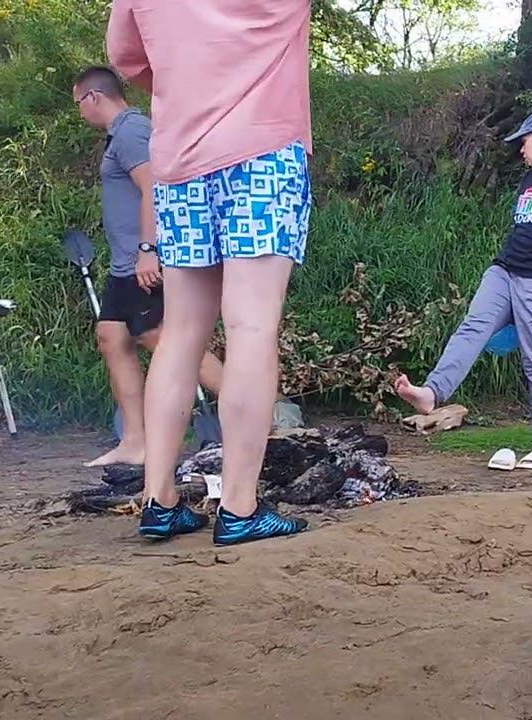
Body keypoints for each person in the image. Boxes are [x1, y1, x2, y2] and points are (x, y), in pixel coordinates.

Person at [107, 0, 313, 545]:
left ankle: (160, 501)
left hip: (179, 163)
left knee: (179, 333)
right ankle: (240, 509)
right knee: (251, 326)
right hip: (264, 153)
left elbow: (126, 57)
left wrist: (189, 80)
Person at [395, 110, 532, 471]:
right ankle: (431, 393)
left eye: (525, 139)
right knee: (472, 327)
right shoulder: (529, 180)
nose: (520, 148)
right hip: (504, 271)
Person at [72, 66, 225, 469]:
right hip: (124, 263)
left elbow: (154, 188)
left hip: (142, 259)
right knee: (111, 335)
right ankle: (135, 441)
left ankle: (257, 414)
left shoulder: (132, 132)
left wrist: (148, 250)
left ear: (94, 97)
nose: (80, 112)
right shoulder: (121, 134)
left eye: (79, 103)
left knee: (162, 338)